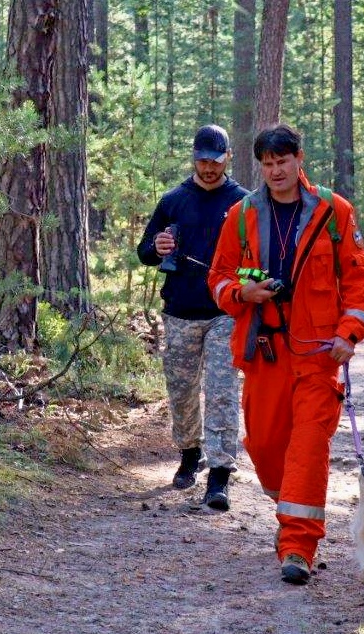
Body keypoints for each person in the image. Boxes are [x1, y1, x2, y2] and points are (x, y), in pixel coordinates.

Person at [207, 123, 364, 585]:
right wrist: (244, 293)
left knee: (307, 448)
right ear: (259, 166)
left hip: (320, 355)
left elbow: (359, 279)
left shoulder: (333, 212)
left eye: (283, 161)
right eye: (267, 163)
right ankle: (288, 508)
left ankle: (298, 545)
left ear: (300, 160)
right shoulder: (241, 216)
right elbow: (218, 278)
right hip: (265, 351)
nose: (276, 170)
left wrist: (349, 332)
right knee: (263, 446)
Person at [136, 124, 249, 511]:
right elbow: (145, 251)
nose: (208, 168)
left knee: (221, 391)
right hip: (180, 312)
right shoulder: (173, 201)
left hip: (226, 312)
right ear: (193, 158)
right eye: (202, 160)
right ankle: (189, 454)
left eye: (215, 161)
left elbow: (259, 256)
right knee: (182, 391)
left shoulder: (243, 203)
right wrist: (157, 245)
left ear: (227, 158)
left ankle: (220, 475)